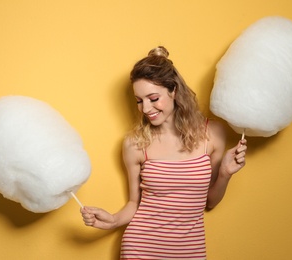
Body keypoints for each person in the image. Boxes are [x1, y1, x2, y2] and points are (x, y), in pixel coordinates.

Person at [81, 46, 247, 259]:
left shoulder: (212, 133)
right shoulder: (135, 144)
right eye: (139, 101)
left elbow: (209, 202)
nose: (146, 108)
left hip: (190, 251)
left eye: (153, 98)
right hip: (141, 249)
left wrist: (225, 172)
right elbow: (134, 203)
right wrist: (112, 220)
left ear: (174, 91)